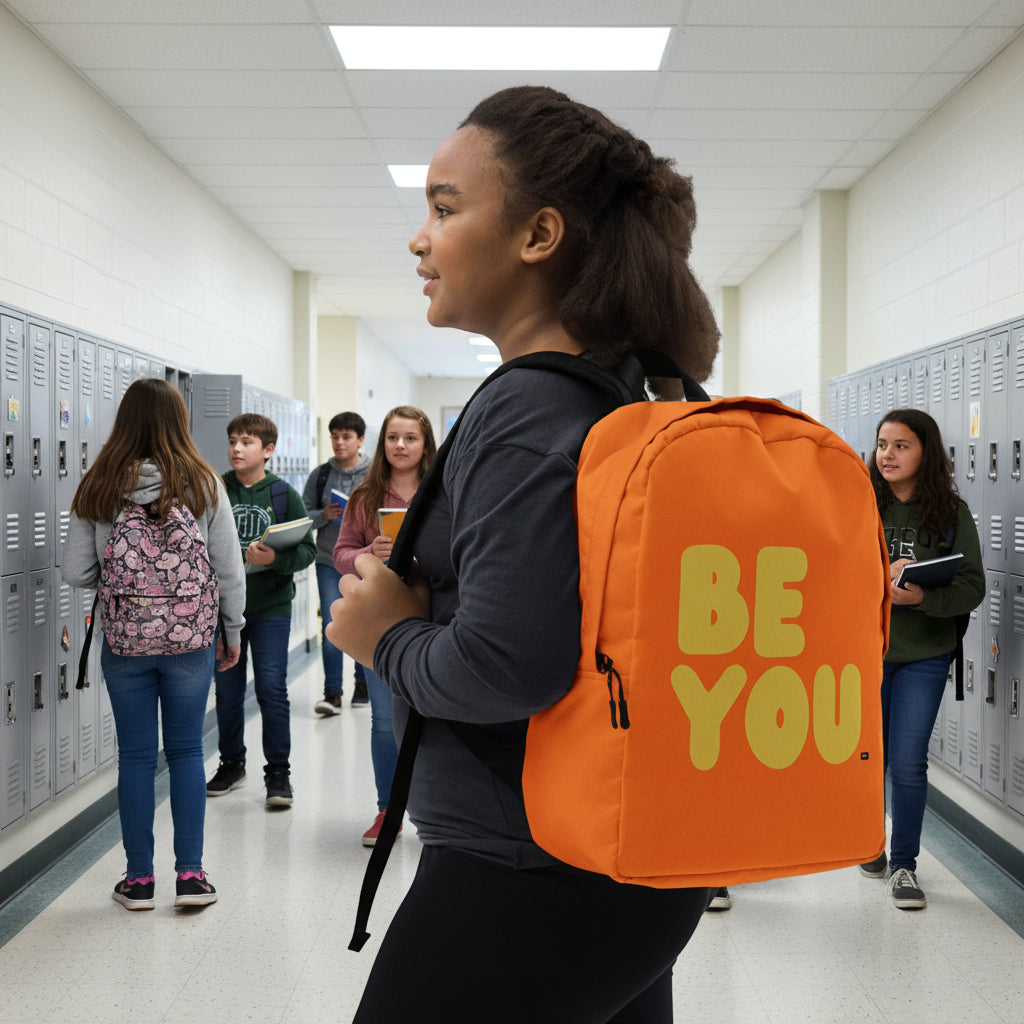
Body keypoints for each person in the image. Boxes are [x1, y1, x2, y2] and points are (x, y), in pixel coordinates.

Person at [327, 85, 719, 1023]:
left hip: (522, 873)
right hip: (627, 857)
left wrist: (385, 637)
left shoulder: (524, 405)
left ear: (539, 235)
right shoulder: (636, 388)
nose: (419, 239)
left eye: (445, 207)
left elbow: (509, 666)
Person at [62, 378, 245, 911]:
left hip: (125, 640)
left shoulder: (99, 483)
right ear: (179, 421)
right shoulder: (205, 481)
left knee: (137, 758)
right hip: (191, 640)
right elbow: (228, 572)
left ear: (124, 421)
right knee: (188, 751)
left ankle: (138, 880)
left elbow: (76, 572)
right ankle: (191, 876)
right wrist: (230, 632)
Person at [860, 408, 984, 908]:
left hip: (925, 654)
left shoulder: (951, 513)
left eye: (901, 445)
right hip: (866, 652)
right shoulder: (860, 502)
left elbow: (972, 585)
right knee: (868, 759)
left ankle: (904, 866)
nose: (887, 454)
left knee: (907, 762)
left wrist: (922, 599)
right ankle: (869, 843)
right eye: (882, 444)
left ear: (925, 453)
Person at [332, 406, 437, 846]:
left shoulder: (444, 492)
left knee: (433, 719)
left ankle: (437, 814)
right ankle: (387, 812)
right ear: (382, 444)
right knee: (382, 720)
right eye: (393, 437)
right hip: (379, 622)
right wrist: (366, 554)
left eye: (410, 438)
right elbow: (340, 552)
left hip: (434, 617)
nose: (400, 446)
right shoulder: (365, 495)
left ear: (424, 444)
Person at [206, 413, 315, 809]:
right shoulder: (213, 488)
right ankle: (232, 763)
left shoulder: (284, 494)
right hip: (222, 610)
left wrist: (274, 561)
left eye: (247, 442)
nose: (237, 448)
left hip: (270, 607)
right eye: (233, 440)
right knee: (228, 692)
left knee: (271, 688)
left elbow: (307, 550)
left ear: (268, 450)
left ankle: (278, 774)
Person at [302, 411, 372, 713]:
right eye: (335, 436)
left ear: (360, 440)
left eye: (346, 436)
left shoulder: (375, 472)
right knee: (331, 625)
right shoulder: (320, 475)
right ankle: (332, 692)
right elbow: (303, 517)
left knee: (361, 624)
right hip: (328, 561)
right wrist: (323, 516)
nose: (339, 442)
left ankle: (362, 684)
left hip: (365, 564)